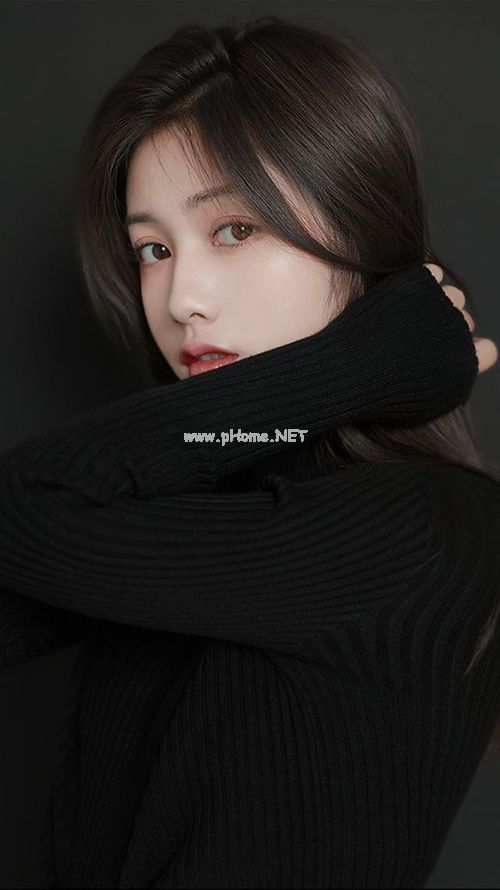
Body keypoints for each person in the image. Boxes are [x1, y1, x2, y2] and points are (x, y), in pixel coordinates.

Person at [1, 15, 500, 889]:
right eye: (153, 249)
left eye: (233, 229)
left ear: (359, 226)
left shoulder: (428, 528)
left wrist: (344, 371)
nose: (181, 298)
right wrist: (355, 370)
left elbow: (19, 506)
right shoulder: (197, 508)